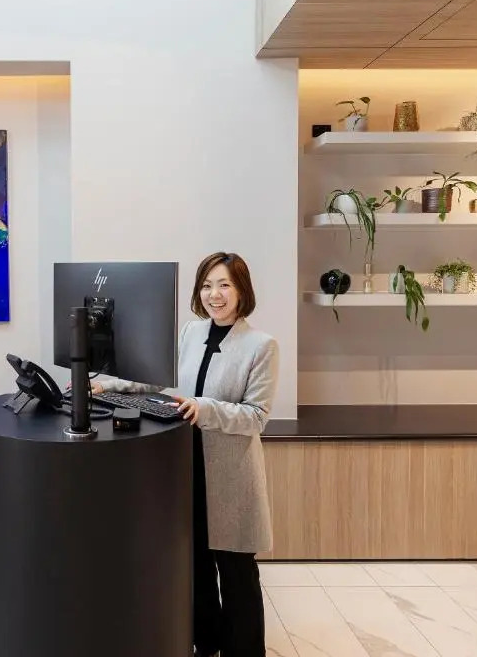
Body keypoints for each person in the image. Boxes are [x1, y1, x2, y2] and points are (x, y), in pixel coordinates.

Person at [92, 251, 279, 657]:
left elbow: (256, 416)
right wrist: (108, 385)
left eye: (225, 285)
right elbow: (159, 380)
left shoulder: (261, 345)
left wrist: (203, 408)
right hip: (186, 467)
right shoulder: (191, 332)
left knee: (236, 573)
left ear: (242, 290)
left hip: (230, 476)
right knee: (196, 566)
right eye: (207, 285)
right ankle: (206, 643)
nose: (215, 294)